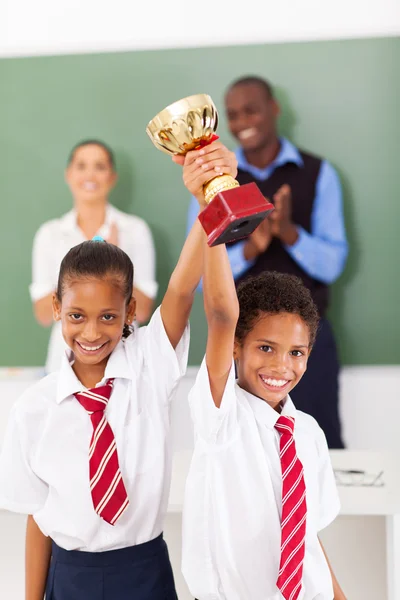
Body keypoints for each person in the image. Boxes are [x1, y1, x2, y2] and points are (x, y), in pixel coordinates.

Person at [0, 141, 237, 600]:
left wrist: (206, 196)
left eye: (108, 316)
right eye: (76, 316)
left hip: (142, 569)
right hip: (69, 576)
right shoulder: (34, 408)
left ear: (130, 311)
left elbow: (182, 289)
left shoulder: (149, 365)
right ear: (56, 308)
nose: (91, 332)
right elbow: (37, 517)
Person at [181, 161, 345, 599]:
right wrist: (210, 207)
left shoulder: (307, 434)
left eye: (296, 353)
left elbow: (305, 536)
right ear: (236, 346)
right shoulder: (222, 418)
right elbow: (220, 313)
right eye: (265, 348)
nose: (281, 366)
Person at [186, 76, 348, 449]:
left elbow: (333, 263)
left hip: (305, 344)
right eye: (233, 114)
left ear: (274, 109)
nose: (243, 121)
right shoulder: (213, 181)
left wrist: (290, 233)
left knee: (317, 442)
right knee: (239, 447)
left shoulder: (318, 174)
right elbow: (195, 274)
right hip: (240, 343)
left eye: (252, 109)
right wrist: (250, 248)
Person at [30, 139, 158, 374]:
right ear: (69, 174)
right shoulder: (49, 234)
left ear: (112, 177)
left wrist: (115, 260)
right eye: (81, 166)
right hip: (63, 366)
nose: (90, 174)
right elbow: (42, 313)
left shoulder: (134, 230)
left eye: (100, 167)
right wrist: (86, 268)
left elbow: (143, 309)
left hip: (124, 364)